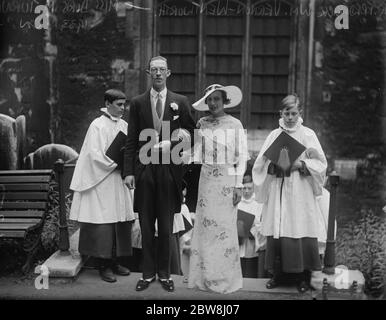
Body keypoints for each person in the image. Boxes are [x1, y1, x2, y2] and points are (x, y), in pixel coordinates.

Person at [123, 56, 196, 292]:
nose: (157, 73)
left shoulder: (180, 102)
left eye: (161, 70)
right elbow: (132, 139)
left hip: (168, 169)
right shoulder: (137, 102)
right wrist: (129, 172)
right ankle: (147, 274)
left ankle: (165, 275)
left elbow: (193, 135)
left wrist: (175, 142)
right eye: (153, 69)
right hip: (144, 169)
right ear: (148, 73)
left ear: (168, 73)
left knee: (165, 227)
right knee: (145, 225)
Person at [252, 94, 327, 293]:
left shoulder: (308, 134)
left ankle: (302, 277)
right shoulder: (274, 135)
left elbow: (321, 163)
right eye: (287, 113)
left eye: (294, 113)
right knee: (279, 228)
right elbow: (260, 163)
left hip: (300, 189)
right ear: (281, 113)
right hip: (279, 187)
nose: (291, 117)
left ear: (300, 113)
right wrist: (271, 165)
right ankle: (278, 275)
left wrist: (300, 164)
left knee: (299, 226)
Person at [69, 89, 135, 283]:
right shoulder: (96, 125)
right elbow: (94, 154)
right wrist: (117, 162)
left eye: (124, 104)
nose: (123, 108)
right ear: (107, 104)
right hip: (102, 180)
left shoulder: (124, 125)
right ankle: (102, 264)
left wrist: (128, 161)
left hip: (118, 180)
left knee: (119, 220)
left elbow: (129, 149)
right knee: (103, 221)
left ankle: (114, 261)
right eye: (119, 104)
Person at [188, 84, 248, 294]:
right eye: (210, 100)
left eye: (217, 99)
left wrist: (238, 185)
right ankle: (204, 277)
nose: (213, 103)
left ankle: (223, 278)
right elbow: (193, 154)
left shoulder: (235, 124)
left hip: (226, 180)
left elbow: (241, 158)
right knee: (206, 228)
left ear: (225, 101)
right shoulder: (202, 123)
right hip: (206, 180)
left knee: (223, 229)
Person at [237, 174, 266, 278]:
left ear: (254, 188)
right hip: (239, 240)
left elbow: (261, 223)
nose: (246, 191)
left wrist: (252, 231)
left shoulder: (258, 203)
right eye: (244, 188)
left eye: (249, 188)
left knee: (250, 272)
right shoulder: (237, 203)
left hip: (252, 241)